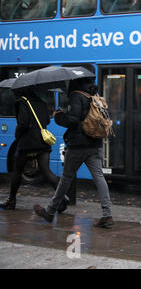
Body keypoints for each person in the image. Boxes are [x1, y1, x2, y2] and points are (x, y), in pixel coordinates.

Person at [33, 77, 113, 228]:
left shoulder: (77, 95)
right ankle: (107, 214)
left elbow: (74, 119)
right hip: (95, 143)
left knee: (66, 178)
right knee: (99, 177)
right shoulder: (93, 95)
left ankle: (50, 212)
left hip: (78, 145)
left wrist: (58, 116)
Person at [0, 89, 68, 212]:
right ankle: (62, 197)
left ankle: (11, 201)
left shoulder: (22, 102)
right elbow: (47, 121)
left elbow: (23, 123)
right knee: (47, 171)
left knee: (17, 170)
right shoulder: (42, 102)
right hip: (42, 142)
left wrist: (17, 134)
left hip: (27, 143)